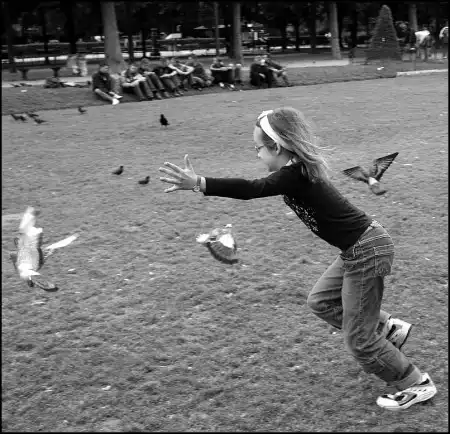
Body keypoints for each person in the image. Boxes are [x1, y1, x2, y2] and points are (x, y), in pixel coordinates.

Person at [158, 106, 437, 412]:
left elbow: (252, 189)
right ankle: (388, 329)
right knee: (321, 301)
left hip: (366, 250)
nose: (257, 154)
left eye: (257, 148)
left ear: (276, 147)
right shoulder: (297, 170)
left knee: (359, 340)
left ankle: (415, 383)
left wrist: (199, 182)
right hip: (359, 247)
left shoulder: (294, 174)